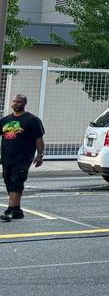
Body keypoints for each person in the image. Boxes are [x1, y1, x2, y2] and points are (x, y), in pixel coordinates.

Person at [1, 93, 45, 223]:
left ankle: (9, 210)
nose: (15, 104)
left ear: (25, 103)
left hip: (23, 157)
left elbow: (39, 139)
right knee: (9, 181)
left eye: (19, 102)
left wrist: (40, 155)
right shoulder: (5, 120)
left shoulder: (32, 120)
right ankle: (17, 210)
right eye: (14, 101)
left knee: (16, 181)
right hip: (6, 157)